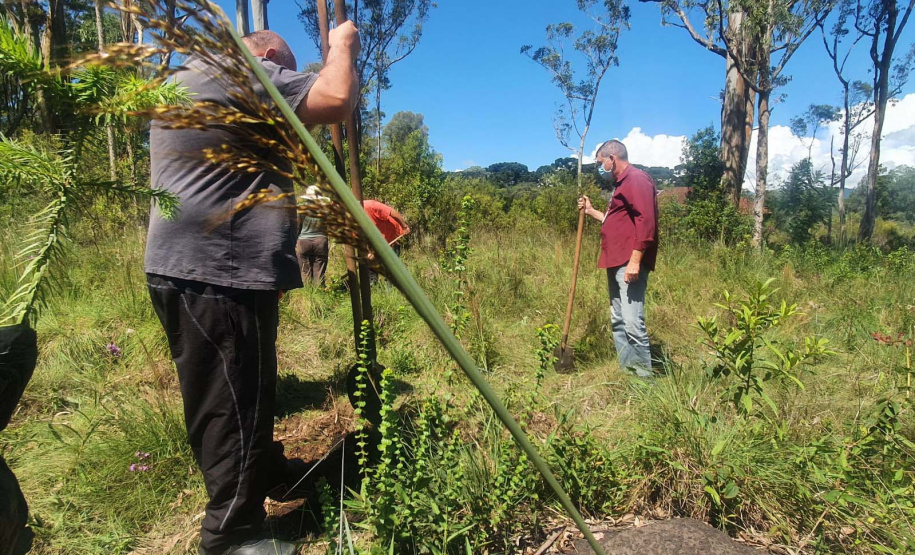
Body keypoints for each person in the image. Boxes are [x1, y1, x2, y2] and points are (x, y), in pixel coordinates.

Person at [144, 26, 360, 555]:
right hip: (217, 271)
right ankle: (231, 534)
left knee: (249, 386)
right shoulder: (244, 72)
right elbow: (334, 98)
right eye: (284, 69)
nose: (285, 80)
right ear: (266, 56)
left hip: (210, 269)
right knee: (229, 401)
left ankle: (260, 469)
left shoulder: (195, 80)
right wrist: (343, 45)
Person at [578, 139, 659, 378]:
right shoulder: (620, 184)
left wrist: (635, 261)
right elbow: (616, 222)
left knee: (633, 322)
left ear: (612, 158)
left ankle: (644, 381)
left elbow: (647, 223)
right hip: (615, 260)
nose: (600, 168)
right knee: (619, 320)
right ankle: (629, 373)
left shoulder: (636, 179)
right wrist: (592, 211)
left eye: (600, 162)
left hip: (629, 262)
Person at [297, 185, 329, 286]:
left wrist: (295, 240)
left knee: (304, 269)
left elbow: (298, 226)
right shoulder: (324, 209)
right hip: (320, 241)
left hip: (303, 241)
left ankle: (307, 290)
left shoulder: (301, 208)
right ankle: (319, 290)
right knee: (319, 268)